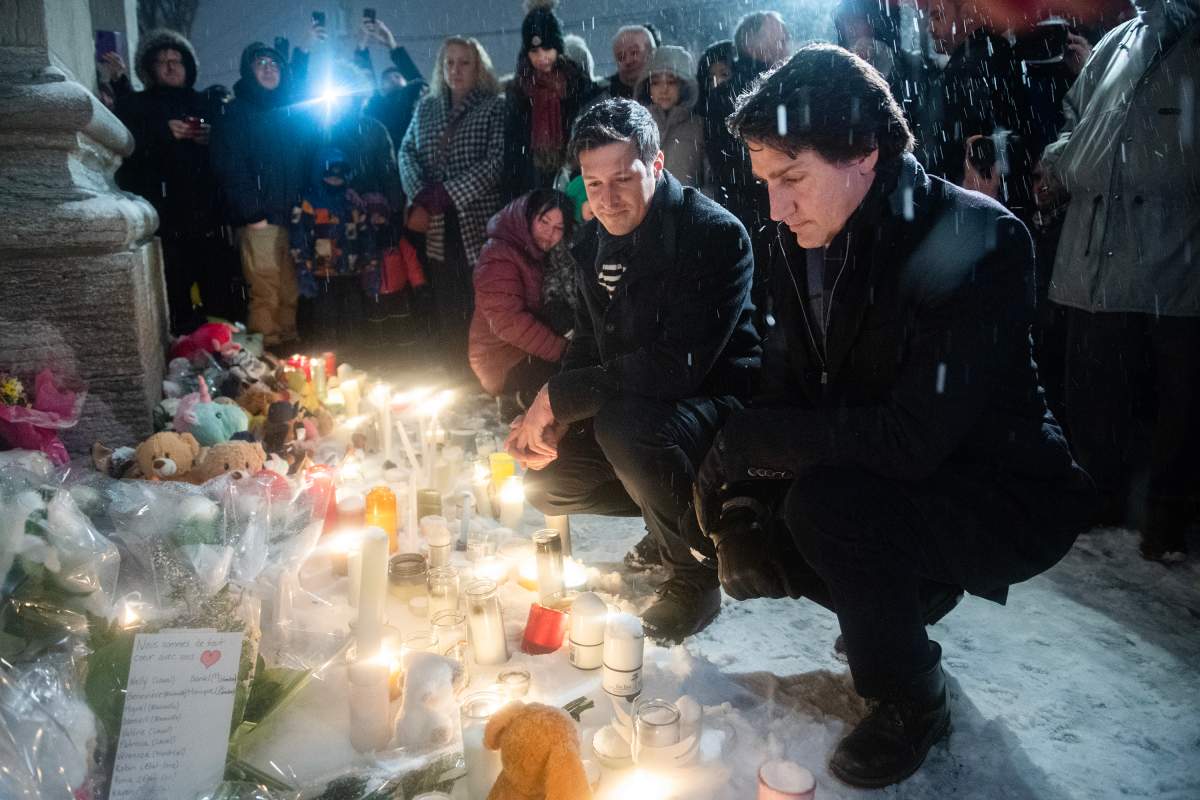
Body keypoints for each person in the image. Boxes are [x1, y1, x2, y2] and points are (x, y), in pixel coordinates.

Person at [694, 44, 1094, 788]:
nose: (774, 208)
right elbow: (781, 385)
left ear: (863, 154)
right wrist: (743, 502)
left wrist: (757, 447)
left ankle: (911, 695)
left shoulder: (977, 240)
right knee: (773, 527)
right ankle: (905, 592)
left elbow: (913, 439)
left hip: (998, 488)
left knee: (823, 507)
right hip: (892, 466)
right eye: (765, 183)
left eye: (791, 178)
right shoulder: (799, 239)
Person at [506, 98, 761, 643]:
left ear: (658, 165)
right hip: (639, 406)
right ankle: (667, 514)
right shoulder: (592, 244)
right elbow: (588, 347)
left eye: (623, 178)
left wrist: (564, 397)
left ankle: (694, 574)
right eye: (594, 185)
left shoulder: (710, 234)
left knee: (624, 426)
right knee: (547, 482)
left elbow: (680, 367)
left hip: (717, 408)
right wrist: (554, 413)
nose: (608, 199)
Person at [1040, 0, 1200, 561]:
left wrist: (1082, 162)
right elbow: (1073, 120)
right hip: (1095, 253)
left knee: (1176, 405)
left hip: (1173, 259)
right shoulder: (1119, 40)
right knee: (1092, 392)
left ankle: (1166, 522)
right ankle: (1095, 499)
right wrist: (1064, 160)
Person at [399, 36, 505, 373]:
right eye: (449, 63)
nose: (456, 70)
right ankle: (455, 372)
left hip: (477, 220)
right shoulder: (427, 107)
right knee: (447, 298)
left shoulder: (494, 107)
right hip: (438, 224)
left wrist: (448, 193)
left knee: (481, 302)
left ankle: (486, 374)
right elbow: (406, 153)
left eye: (464, 63)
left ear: (478, 67)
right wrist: (421, 195)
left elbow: (495, 163)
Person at [114, 29, 224, 335]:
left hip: (208, 217)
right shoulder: (137, 106)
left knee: (216, 290)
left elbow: (233, 151)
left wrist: (211, 138)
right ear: (149, 68)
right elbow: (126, 151)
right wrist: (163, 134)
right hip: (164, 217)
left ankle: (223, 348)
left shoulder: (205, 103)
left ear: (188, 66)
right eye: (162, 61)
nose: (170, 66)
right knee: (174, 293)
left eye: (176, 60)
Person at [210, 41, 306, 348]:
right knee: (265, 289)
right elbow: (230, 165)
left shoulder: (287, 110)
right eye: (261, 63)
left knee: (290, 288)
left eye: (275, 64)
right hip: (260, 219)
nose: (269, 69)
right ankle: (268, 350)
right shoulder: (237, 112)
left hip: (290, 216)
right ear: (248, 71)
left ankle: (289, 343)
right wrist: (252, 212)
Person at [702, 11, 792, 325]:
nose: (786, 44)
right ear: (751, 43)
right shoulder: (758, 91)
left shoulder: (781, 86)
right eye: (778, 37)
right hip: (759, 210)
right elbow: (727, 162)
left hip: (754, 211)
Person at [469, 190, 576, 409]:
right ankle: (516, 401)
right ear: (527, 216)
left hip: (523, 350)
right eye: (544, 222)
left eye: (558, 229)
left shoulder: (538, 253)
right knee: (571, 382)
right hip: (501, 359)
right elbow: (507, 322)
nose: (549, 234)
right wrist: (564, 351)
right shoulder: (499, 255)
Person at [503, 0, 594, 198]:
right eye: (534, 51)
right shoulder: (519, 89)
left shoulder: (577, 83)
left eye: (547, 49)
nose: (542, 57)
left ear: (558, 47)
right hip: (531, 178)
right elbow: (512, 145)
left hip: (573, 176)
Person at [635, 45, 708, 190]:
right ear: (647, 87)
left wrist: (695, 207)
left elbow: (711, 180)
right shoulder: (637, 127)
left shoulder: (699, 127)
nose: (664, 89)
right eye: (655, 83)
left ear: (684, 86)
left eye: (671, 81)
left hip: (688, 209)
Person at [354, 16, 428, 150]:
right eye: (387, 78)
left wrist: (391, 44)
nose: (393, 79)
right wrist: (361, 46)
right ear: (381, 86)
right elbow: (365, 80)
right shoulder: (377, 104)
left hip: (411, 157)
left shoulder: (413, 101)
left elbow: (419, 83)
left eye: (397, 76)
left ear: (406, 81)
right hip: (383, 160)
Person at [605, 25, 656, 100]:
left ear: (652, 52)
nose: (628, 61)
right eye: (621, 57)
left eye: (634, 52)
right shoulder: (605, 98)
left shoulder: (671, 90)